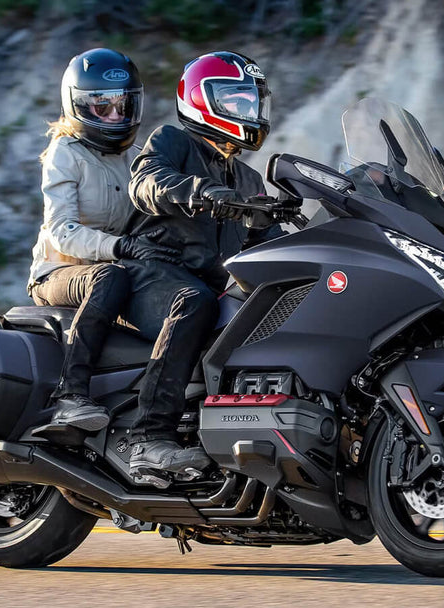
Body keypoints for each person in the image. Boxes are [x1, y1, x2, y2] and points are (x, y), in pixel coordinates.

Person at [120, 51, 281, 483]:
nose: (250, 112)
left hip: (210, 282)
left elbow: (267, 242)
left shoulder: (247, 180)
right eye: (237, 101)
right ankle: (148, 438)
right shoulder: (171, 141)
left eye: (253, 103)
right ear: (201, 99)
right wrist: (201, 192)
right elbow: (146, 183)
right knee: (194, 303)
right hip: (152, 272)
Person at [27, 48, 179, 436]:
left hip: (118, 267)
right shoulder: (65, 154)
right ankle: (70, 395)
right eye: (102, 107)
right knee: (108, 278)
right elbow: (62, 231)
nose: (115, 116)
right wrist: (121, 248)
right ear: (77, 105)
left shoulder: (133, 155)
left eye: (123, 106)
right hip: (60, 272)